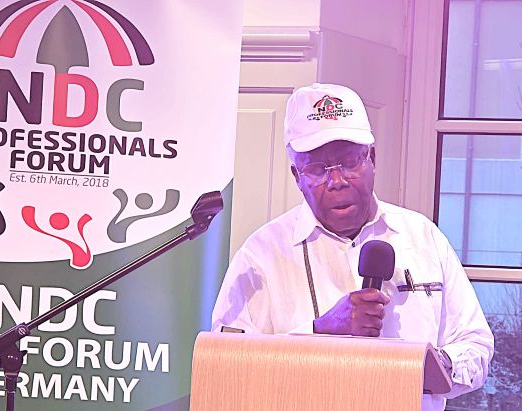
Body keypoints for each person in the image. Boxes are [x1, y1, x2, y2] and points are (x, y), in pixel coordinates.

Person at [211, 83, 494, 410]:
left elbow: (476, 346)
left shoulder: (423, 237)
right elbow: (228, 368)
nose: (337, 181)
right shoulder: (261, 255)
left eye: (348, 162)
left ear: (371, 158)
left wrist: (434, 365)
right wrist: (320, 331)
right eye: (317, 169)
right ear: (297, 176)